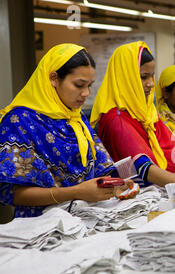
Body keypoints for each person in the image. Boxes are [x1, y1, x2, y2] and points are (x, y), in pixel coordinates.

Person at [0, 44, 134, 218]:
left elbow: (101, 170)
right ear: (53, 78)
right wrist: (76, 192)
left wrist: (116, 185)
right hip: (41, 227)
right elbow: (14, 194)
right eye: (79, 85)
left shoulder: (76, 119)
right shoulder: (19, 121)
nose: (86, 93)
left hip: (86, 217)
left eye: (90, 86)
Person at [89, 41, 175, 195]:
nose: (151, 83)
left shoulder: (147, 114)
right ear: (125, 77)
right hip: (138, 198)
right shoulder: (116, 119)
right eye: (143, 77)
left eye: (152, 76)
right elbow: (147, 170)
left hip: (158, 191)